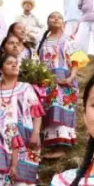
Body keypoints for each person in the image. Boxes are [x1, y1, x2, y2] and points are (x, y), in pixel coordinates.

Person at [0, 54, 44, 186]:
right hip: (3, 137)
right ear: (0, 69)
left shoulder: (26, 87)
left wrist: (36, 133)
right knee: (8, 172)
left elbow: (36, 112)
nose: (14, 65)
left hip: (26, 133)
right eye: (9, 63)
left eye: (16, 63)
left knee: (26, 173)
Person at [35, 11, 89, 158]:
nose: (56, 19)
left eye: (59, 17)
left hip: (64, 79)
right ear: (47, 22)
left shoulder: (67, 40)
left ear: (63, 23)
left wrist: (71, 77)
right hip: (47, 80)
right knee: (50, 110)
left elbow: (76, 59)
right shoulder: (42, 42)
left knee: (61, 108)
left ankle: (62, 147)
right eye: (52, 17)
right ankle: (52, 146)